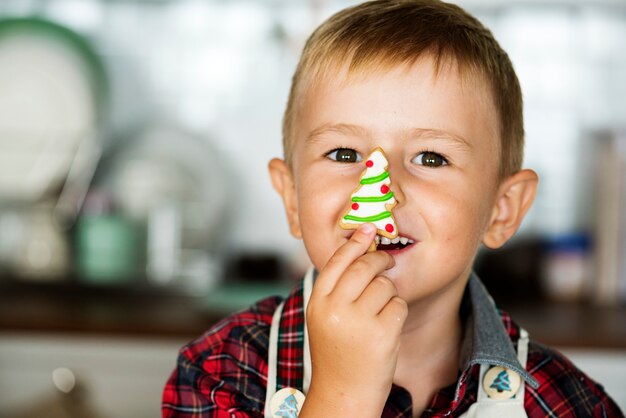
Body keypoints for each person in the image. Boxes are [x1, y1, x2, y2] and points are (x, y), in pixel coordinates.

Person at [162, 1, 624, 417]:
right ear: (291, 198)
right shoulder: (219, 373)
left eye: (430, 158)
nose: (380, 190)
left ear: (502, 210)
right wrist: (344, 395)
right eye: (344, 154)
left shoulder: (568, 404)